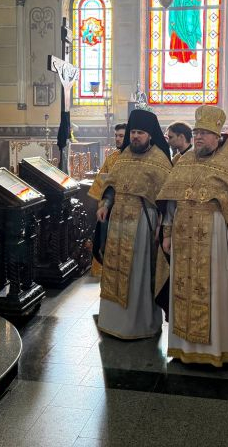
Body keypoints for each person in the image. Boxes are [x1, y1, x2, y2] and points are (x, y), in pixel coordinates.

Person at [157, 105, 228, 366]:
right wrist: (167, 233)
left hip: (214, 237)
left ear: (218, 135)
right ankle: (182, 348)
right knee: (182, 288)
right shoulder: (184, 161)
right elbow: (171, 202)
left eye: (204, 133)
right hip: (183, 234)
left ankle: (215, 350)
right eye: (196, 133)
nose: (198, 137)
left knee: (213, 290)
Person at [94, 110, 171, 339]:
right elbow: (112, 185)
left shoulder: (159, 159)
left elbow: (166, 197)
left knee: (138, 272)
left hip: (143, 222)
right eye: (133, 132)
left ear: (150, 135)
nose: (135, 136)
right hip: (117, 220)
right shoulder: (124, 154)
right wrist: (106, 204)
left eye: (140, 133)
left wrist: (162, 226)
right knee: (114, 270)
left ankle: (139, 324)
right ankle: (113, 322)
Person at [88, 123, 127, 266]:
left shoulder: (136, 159)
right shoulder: (111, 158)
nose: (117, 139)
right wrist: (102, 204)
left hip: (127, 210)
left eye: (121, 136)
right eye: (116, 135)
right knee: (105, 246)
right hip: (108, 207)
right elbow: (100, 182)